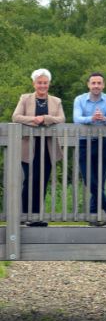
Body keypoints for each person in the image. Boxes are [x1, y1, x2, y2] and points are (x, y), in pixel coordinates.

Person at [12, 68, 65, 227]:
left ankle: (37, 216)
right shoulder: (25, 98)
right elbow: (15, 117)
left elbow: (61, 119)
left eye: (45, 83)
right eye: (39, 83)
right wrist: (34, 120)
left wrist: (46, 118)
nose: (42, 86)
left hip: (48, 148)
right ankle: (25, 215)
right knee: (29, 180)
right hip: (29, 147)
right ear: (34, 84)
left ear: (49, 84)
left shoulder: (56, 101)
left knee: (42, 181)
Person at [73, 72, 106, 226]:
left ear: (103, 85)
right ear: (88, 85)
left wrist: (104, 119)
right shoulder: (79, 99)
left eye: (99, 83)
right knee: (88, 179)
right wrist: (91, 118)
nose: (96, 86)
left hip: (102, 142)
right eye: (93, 83)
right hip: (84, 143)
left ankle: (93, 217)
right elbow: (76, 119)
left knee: (99, 180)